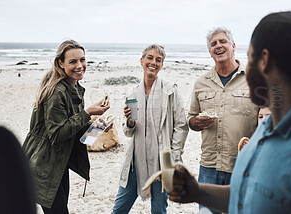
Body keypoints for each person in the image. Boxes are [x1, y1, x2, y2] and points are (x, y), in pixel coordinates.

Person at [169, 11, 291, 213]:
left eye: (249, 58)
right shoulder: (265, 128)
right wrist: (198, 192)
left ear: (265, 61)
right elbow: (247, 196)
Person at [22, 40, 110, 213]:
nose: (80, 65)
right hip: (43, 163)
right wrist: (88, 112)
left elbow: (73, 127)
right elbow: (57, 134)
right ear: (60, 63)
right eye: (73, 61)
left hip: (60, 162)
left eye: (82, 60)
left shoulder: (74, 87)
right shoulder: (56, 92)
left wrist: (97, 127)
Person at [187, 27, 257, 213]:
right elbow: (190, 119)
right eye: (213, 44)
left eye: (222, 41)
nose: (218, 46)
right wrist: (196, 122)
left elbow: (265, 121)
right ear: (210, 52)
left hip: (243, 165)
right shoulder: (201, 83)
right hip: (209, 166)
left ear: (233, 46)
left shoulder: (254, 80)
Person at [111, 44, 189, 214]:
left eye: (158, 60)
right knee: (119, 209)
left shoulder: (170, 91)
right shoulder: (133, 93)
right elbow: (128, 132)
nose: (153, 62)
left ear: (161, 65)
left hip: (161, 162)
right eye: (150, 58)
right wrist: (130, 122)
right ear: (142, 60)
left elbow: (181, 125)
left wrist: (173, 157)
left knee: (158, 210)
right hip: (135, 161)